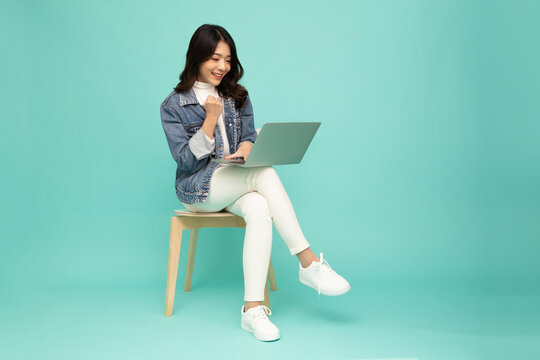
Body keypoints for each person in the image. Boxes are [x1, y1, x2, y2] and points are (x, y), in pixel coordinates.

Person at [160, 24, 350, 342]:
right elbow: (185, 161)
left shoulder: (238, 96)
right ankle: (307, 261)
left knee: (260, 206)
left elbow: (247, 136)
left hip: (233, 180)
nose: (222, 66)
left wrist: (248, 146)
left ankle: (252, 310)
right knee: (263, 174)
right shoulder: (173, 105)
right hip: (197, 188)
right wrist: (208, 120)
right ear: (197, 58)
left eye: (228, 59)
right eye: (215, 58)